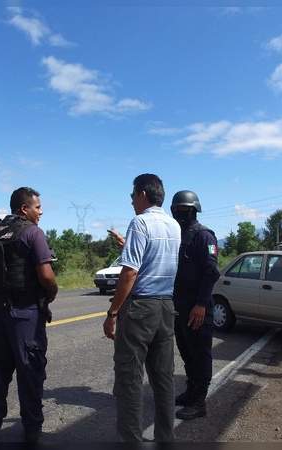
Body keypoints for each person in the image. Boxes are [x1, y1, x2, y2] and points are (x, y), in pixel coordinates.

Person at [0, 187, 58, 443]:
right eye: (37, 207)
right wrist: (52, 292)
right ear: (24, 208)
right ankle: (32, 431)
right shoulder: (32, 232)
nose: (40, 211)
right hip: (25, 314)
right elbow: (46, 275)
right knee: (30, 371)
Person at [103, 174, 181, 442]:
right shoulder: (174, 225)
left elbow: (130, 273)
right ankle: (165, 437)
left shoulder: (140, 222)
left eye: (133, 194)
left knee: (129, 378)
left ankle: (131, 440)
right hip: (166, 307)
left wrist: (113, 312)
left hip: (140, 309)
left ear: (143, 195)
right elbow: (156, 260)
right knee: (163, 378)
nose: (131, 200)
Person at [170, 190, 220, 420]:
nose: (177, 212)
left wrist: (200, 304)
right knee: (186, 351)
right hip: (179, 305)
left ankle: (199, 402)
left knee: (200, 354)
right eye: (175, 208)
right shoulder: (177, 235)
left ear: (192, 210)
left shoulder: (204, 236)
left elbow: (211, 272)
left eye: (181, 209)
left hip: (198, 307)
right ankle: (191, 393)